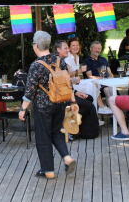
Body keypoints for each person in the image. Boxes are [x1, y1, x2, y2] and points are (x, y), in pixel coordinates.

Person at [18, 31, 79, 179]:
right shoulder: (60, 61)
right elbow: (67, 83)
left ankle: (48, 171)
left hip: (43, 106)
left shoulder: (36, 65)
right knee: (56, 132)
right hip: (59, 103)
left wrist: (22, 109)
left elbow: (30, 90)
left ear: (36, 46)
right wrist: (73, 101)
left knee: (43, 137)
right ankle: (67, 158)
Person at [54, 40, 101, 136]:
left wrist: (75, 92)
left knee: (90, 98)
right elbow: (59, 82)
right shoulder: (58, 62)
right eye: (66, 48)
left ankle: (79, 126)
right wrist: (77, 75)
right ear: (58, 50)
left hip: (68, 91)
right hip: (60, 96)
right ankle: (70, 125)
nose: (68, 50)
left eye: (68, 48)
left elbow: (65, 81)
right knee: (88, 104)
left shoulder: (63, 60)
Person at [82, 41, 113, 115]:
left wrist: (111, 78)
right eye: (95, 48)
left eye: (99, 48)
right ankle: (113, 113)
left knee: (113, 89)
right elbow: (89, 76)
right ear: (90, 48)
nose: (97, 50)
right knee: (107, 90)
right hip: (97, 84)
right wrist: (101, 79)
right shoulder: (87, 61)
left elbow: (110, 73)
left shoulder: (103, 59)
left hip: (107, 82)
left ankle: (114, 113)